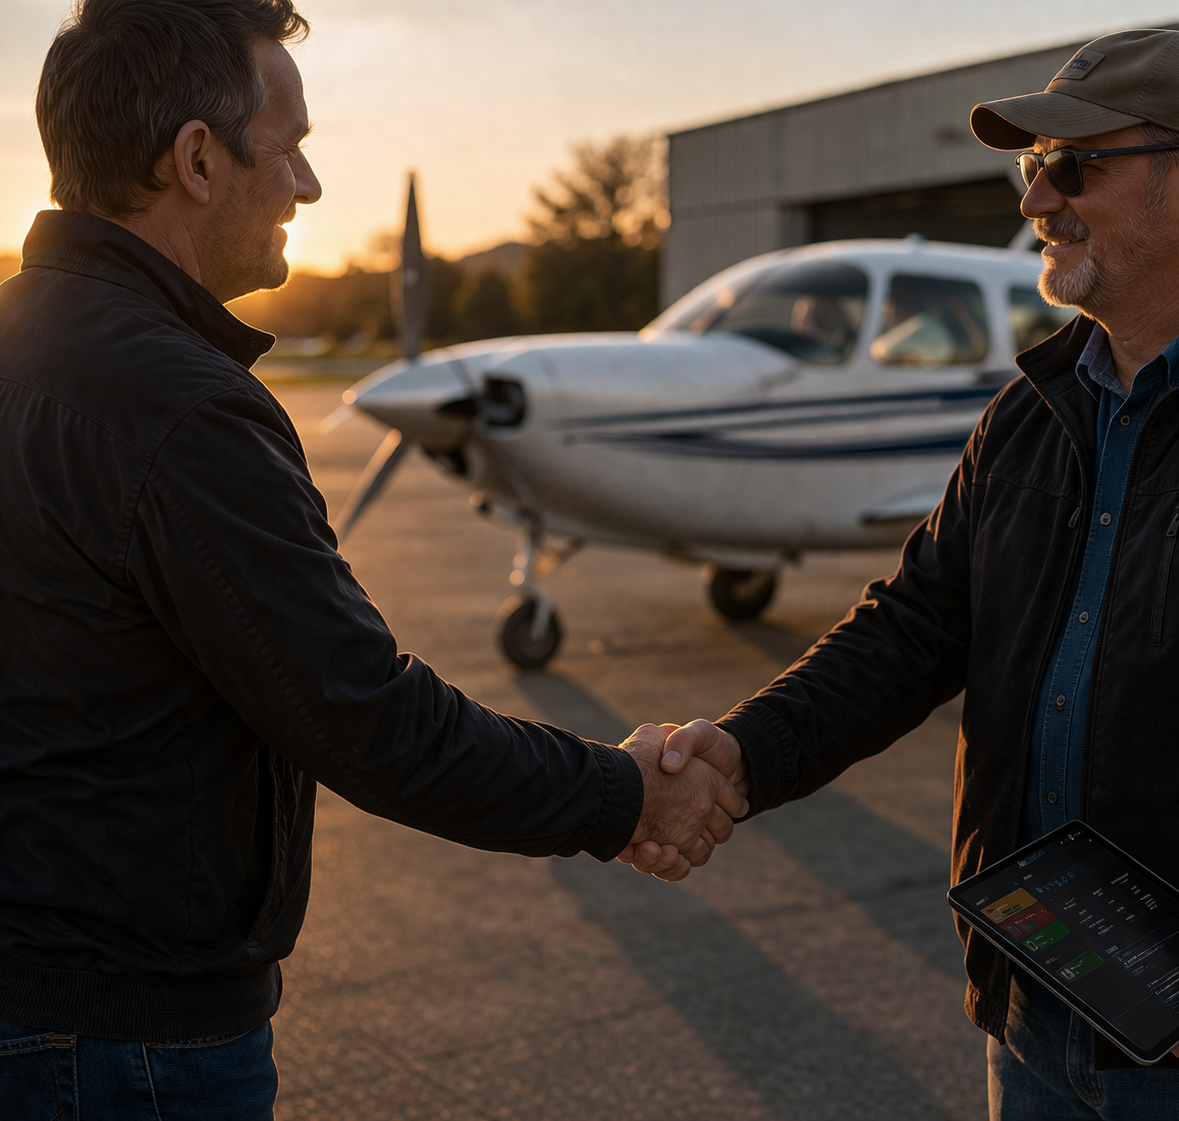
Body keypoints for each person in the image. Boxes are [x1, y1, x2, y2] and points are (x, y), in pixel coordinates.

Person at [636, 27, 1179, 1120]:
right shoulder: (1030, 412)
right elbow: (910, 629)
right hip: (1037, 1017)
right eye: (1031, 166)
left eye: (1074, 166)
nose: (1039, 199)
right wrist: (740, 751)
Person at [0, 1, 741, 1116]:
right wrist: (624, 790)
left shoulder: (25, 342)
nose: (308, 185)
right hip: (125, 1035)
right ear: (196, 158)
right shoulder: (185, 408)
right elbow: (367, 720)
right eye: (288, 144)